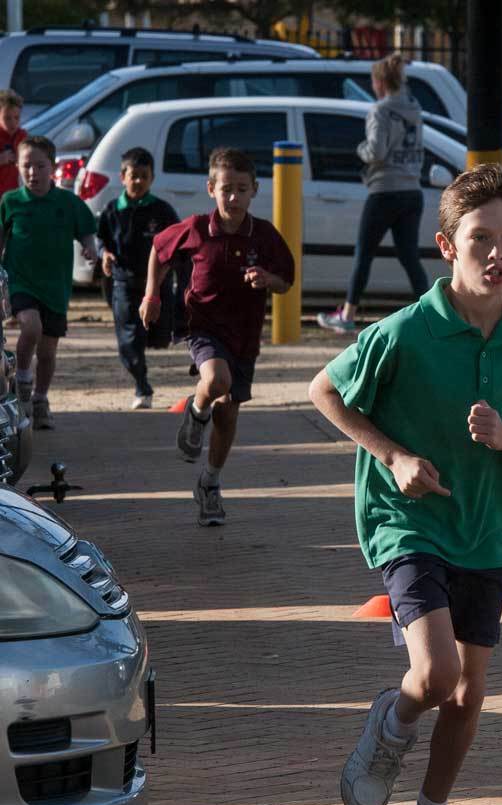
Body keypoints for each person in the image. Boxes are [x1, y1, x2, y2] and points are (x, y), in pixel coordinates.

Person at [309, 164, 502, 805]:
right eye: (480, 238)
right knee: (436, 675)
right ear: (445, 245)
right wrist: (394, 456)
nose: (497, 254)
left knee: (466, 694)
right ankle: (392, 725)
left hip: (488, 527)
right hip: (409, 520)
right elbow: (325, 389)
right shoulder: (407, 330)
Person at [141, 147, 294, 526]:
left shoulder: (265, 236)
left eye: (241, 189)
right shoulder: (196, 228)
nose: (233, 197)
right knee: (217, 381)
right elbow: (159, 250)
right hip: (203, 326)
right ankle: (196, 412)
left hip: (245, 336)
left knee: (228, 413)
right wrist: (151, 295)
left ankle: (209, 483)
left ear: (254, 190)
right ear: (211, 189)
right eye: (226, 189)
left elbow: (286, 281)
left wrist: (267, 279)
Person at [316, 52, 428, 335]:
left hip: (384, 190)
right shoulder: (414, 108)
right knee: (409, 257)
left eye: (373, 81)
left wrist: (360, 150)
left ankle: (348, 314)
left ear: (380, 82)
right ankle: (432, 311)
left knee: (364, 254)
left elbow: (376, 151)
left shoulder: (380, 110)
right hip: (412, 189)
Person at [0, 135, 96, 430]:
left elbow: (86, 230)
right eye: (26, 166)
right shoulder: (10, 201)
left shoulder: (68, 202)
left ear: (52, 167)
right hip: (21, 281)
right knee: (31, 327)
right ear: (18, 167)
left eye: (40, 166)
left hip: (55, 287)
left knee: (48, 352)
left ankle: (41, 400)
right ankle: (23, 380)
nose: (33, 172)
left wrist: (90, 247)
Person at [97, 147, 180, 410]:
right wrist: (104, 254)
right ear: (122, 177)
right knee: (129, 340)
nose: (138, 181)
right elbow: (100, 239)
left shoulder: (161, 210)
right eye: (133, 176)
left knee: (160, 336)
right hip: (124, 284)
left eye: (144, 176)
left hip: (157, 286)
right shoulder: (112, 210)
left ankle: (147, 353)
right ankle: (142, 386)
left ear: (152, 178)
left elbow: (177, 242)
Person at [0, 89, 26, 197]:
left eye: (16, 118)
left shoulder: (22, 136)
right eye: (7, 118)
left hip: (14, 192)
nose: (13, 122)